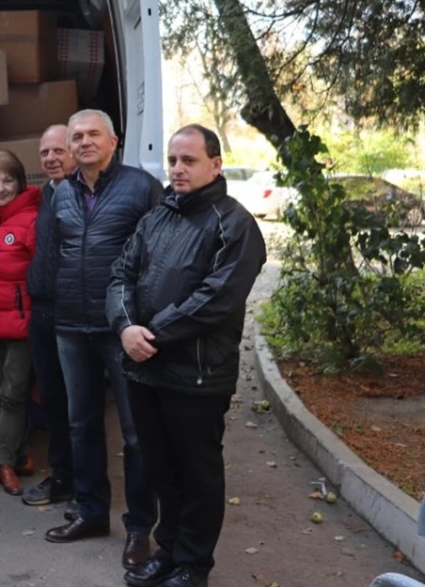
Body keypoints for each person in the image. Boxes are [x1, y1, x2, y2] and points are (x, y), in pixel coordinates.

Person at [108, 124, 266, 587]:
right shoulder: (156, 217)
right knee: (161, 468)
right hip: (145, 370)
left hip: (197, 375)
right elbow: (120, 275)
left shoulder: (235, 225)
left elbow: (215, 300)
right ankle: (170, 550)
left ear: (215, 165)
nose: (177, 168)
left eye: (189, 160)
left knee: (198, 474)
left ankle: (194, 566)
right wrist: (124, 327)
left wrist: (150, 334)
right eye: (173, 160)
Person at [47, 109, 163, 573]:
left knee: (136, 433)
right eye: (76, 136)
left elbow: (159, 255)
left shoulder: (140, 187)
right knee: (81, 425)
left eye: (93, 134)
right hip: (71, 324)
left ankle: (139, 529)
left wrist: (144, 318)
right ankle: (92, 513)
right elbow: (55, 252)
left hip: (122, 327)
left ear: (114, 141)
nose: (84, 142)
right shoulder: (60, 192)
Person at [0, 151, 41, 495]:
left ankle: (4, 462)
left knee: (13, 396)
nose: (0, 188)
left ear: (20, 183)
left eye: (7, 180)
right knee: (6, 395)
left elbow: (42, 273)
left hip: (20, 325)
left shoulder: (29, 220)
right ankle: (22, 455)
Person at [23, 124, 78, 509]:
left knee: (79, 405)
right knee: (54, 401)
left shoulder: (84, 194)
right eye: (44, 152)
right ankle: (62, 477)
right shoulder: (48, 192)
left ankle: (81, 485)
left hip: (71, 314)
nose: (51, 159)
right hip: (41, 312)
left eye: (58, 151)